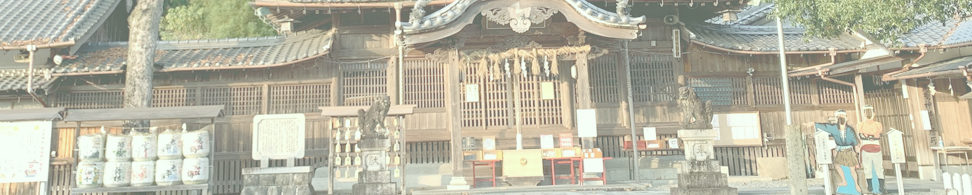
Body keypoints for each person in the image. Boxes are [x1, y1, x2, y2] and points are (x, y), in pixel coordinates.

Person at [817, 110, 862, 195]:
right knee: (837, 165)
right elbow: (824, 126)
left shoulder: (849, 129)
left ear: (846, 118)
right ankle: (844, 181)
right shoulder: (834, 128)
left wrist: (856, 150)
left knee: (852, 169)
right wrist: (813, 124)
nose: (841, 118)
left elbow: (855, 141)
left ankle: (856, 185)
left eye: (842, 116)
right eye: (839, 117)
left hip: (849, 151)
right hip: (840, 150)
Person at [858, 106, 885, 194]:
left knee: (868, 167)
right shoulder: (878, 125)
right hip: (875, 146)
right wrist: (873, 137)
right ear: (874, 113)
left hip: (866, 146)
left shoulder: (860, 124)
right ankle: (881, 187)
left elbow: (861, 135)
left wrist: (868, 137)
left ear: (864, 113)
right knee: (878, 168)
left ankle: (871, 187)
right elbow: (878, 136)